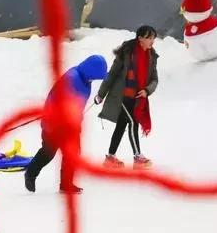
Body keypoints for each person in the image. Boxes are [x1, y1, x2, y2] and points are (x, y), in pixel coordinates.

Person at [24, 55, 108, 194]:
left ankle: (66, 184)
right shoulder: (72, 78)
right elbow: (58, 101)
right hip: (54, 123)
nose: (95, 80)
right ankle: (31, 173)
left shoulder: (84, 78)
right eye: (96, 76)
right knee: (48, 152)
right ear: (90, 71)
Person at [96, 25, 159, 169]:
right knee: (133, 123)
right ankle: (138, 157)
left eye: (153, 37)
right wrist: (100, 95)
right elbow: (112, 74)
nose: (152, 40)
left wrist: (147, 91)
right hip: (121, 96)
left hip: (137, 99)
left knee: (121, 126)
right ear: (140, 38)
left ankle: (110, 158)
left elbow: (154, 79)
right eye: (149, 37)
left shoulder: (151, 56)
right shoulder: (127, 53)